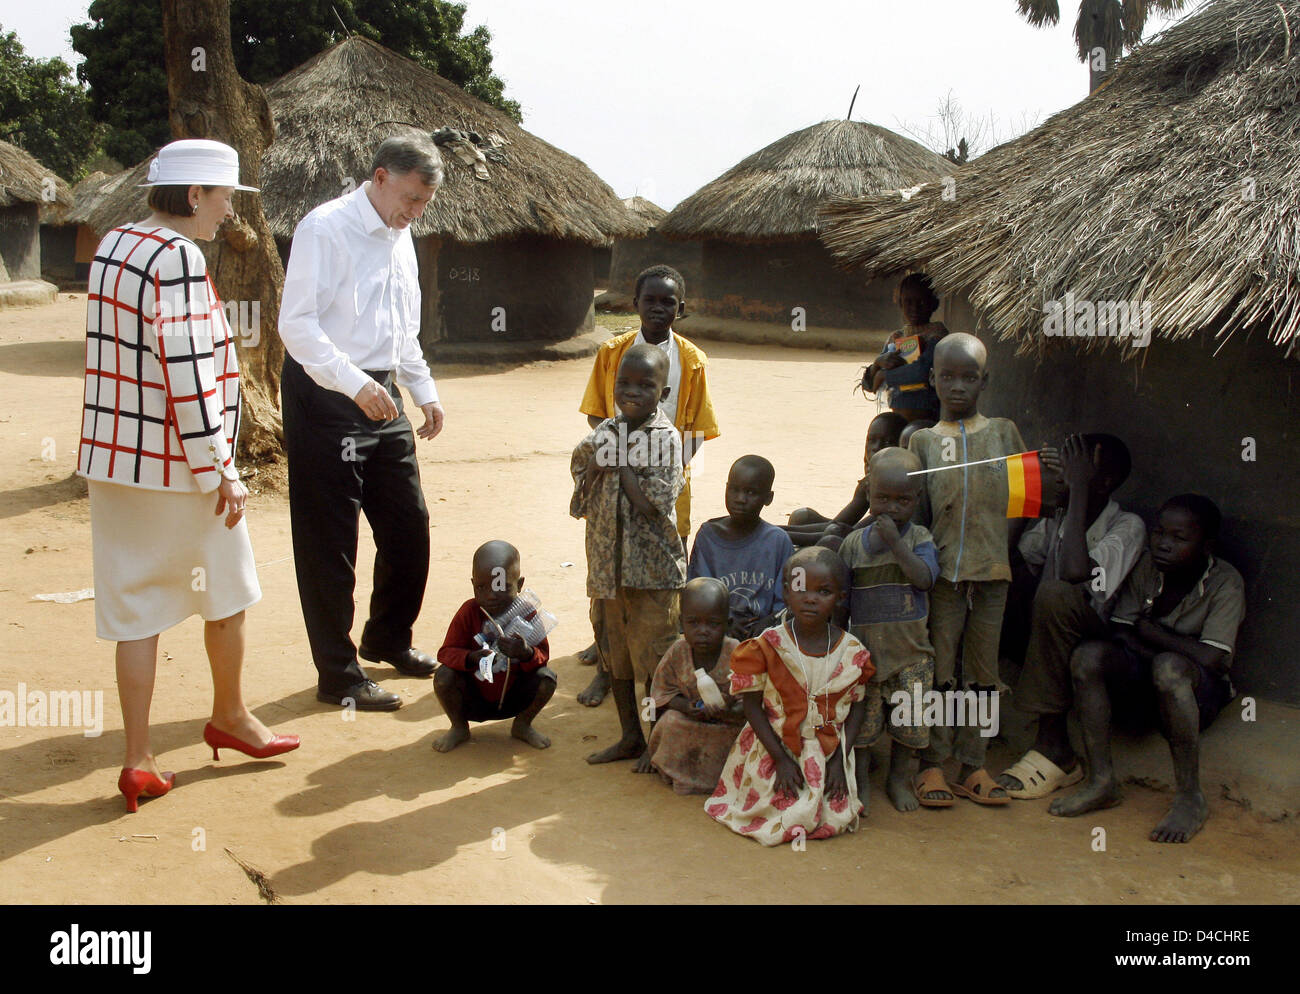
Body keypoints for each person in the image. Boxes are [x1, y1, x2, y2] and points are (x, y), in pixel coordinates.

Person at [78, 139, 298, 812]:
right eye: (225, 196)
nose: (230, 212)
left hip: (115, 462)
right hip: (177, 465)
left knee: (134, 607)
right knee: (228, 593)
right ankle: (230, 716)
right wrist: (222, 469)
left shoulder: (116, 244)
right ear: (195, 194)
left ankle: (138, 758)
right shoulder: (175, 258)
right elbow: (187, 372)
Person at [279, 134, 447, 712]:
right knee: (331, 539)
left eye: (424, 204)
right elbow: (296, 326)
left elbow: (405, 330)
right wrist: (354, 383)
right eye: (409, 198)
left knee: (409, 524)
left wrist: (423, 392)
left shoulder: (403, 239)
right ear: (379, 177)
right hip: (325, 392)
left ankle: (387, 638)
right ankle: (338, 673)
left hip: (383, 391)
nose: (414, 212)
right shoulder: (324, 229)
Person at [907, 333, 1059, 805]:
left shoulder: (1004, 434)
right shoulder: (924, 441)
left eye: (968, 378)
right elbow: (918, 515)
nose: (957, 387)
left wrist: (1001, 551)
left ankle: (973, 765)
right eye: (947, 376)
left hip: (992, 577)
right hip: (944, 578)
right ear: (932, 379)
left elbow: (1024, 503)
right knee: (940, 668)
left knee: (983, 673)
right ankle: (932, 763)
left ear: (984, 381)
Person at [1048, 495, 1245, 844]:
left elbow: (1215, 659)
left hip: (1197, 695)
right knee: (1089, 656)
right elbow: (1122, 631)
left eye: (1179, 538)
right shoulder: (1146, 567)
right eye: (1159, 534)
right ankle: (1101, 781)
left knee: (1169, 668)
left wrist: (1153, 634)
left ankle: (1189, 797)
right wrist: (1147, 642)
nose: (1164, 545)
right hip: (1145, 683)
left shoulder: (1225, 582)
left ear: (1206, 545)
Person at [575, 265, 720, 705]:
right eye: (650, 300)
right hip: (616, 472)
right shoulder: (613, 353)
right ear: (634, 304)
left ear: (681, 308)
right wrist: (618, 452)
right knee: (611, 573)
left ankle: (655, 669)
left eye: (668, 302)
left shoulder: (692, 360)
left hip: (663, 474)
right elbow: (598, 413)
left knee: (658, 576)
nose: (658, 308)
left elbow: (696, 427)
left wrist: (665, 466)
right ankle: (607, 665)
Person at [997, 433, 1146, 798]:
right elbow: (1009, 559)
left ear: (1104, 482)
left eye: (1075, 470)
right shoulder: (1059, 514)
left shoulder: (1127, 526)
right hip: (1052, 621)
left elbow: (1078, 574)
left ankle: (1054, 744)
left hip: (1100, 633)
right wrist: (1027, 499)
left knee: (1060, 589)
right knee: (998, 578)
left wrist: (1077, 492)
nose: (1063, 476)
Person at [706, 547, 874, 845]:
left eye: (824, 591)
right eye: (800, 589)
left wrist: (839, 761)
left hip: (828, 749)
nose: (810, 598)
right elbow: (753, 707)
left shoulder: (852, 652)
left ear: (841, 597)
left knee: (829, 815)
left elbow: (857, 706)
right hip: (773, 746)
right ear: (785, 592)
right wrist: (781, 759)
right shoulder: (767, 646)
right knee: (776, 811)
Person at [571, 345, 686, 764]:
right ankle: (630, 737)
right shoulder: (606, 430)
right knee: (616, 658)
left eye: (645, 385)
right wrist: (598, 463)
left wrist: (617, 462)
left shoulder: (668, 440)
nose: (632, 392)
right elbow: (582, 464)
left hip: (653, 575)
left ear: (664, 390)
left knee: (655, 663)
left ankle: (659, 745)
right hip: (608, 572)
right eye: (624, 383)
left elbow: (650, 504)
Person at [839, 447, 942, 812]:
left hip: (911, 656)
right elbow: (843, 600)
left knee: (909, 730)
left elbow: (925, 579)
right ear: (869, 495)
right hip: (865, 658)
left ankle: (898, 781)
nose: (891, 508)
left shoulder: (920, 539)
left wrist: (897, 545)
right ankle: (863, 783)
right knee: (863, 732)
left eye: (903, 500)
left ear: (916, 500)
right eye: (882, 498)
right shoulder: (853, 545)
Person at [431, 541, 556, 752]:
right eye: (481, 587)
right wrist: (471, 658)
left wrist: (525, 653)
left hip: (513, 697)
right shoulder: (469, 612)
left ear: (520, 584)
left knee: (547, 678)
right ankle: (459, 727)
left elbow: (543, 654)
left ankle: (522, 725)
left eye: (502, 586)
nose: (491, 595)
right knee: (444, 677)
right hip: (474, 697)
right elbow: (446, 653)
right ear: (472, 585)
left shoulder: (527, 613)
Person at [634, 577, 745, 792]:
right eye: (694, 623)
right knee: (671, 722)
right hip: (690, 722)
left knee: (748, 735)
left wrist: (729, 709)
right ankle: (675, 768)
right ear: (680, 623)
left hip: (727, 725)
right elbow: (657, 697)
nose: (703, 631)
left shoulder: (735, 652)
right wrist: (686, 707)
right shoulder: (677, 652)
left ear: (727, 624)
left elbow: (751, 699)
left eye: (713, 624)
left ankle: (723, 777)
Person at [688, 455, 795, 640]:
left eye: (751, 492)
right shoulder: (708, 537)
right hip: (717, 634)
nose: (740, 499)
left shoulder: (778, 541)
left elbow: (788, 601)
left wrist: (769, 624)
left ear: (768, 498)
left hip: (765, 637)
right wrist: (724, 622)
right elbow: (698, 592)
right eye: (734, 490)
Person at [784, 411, 906, 550]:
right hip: (855, 533)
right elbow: (839, 523)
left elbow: (842, 532)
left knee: (831, 537)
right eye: (871, 440)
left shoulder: (896, 490)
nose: (876, 447)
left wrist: (772, 532)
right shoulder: (870, 482)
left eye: (888, 442)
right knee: (802, 517)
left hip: (876, 547)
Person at [861, 274, 949, 421]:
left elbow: (922, 370)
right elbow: (869, 385)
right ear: (900, 304)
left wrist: (884, 375)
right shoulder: (896, 338)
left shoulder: (938, 338)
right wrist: (877, 363)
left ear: (934, 304)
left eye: (921, 302)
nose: (915, 308)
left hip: (928, 418)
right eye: (908, 302)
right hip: (897, 416)